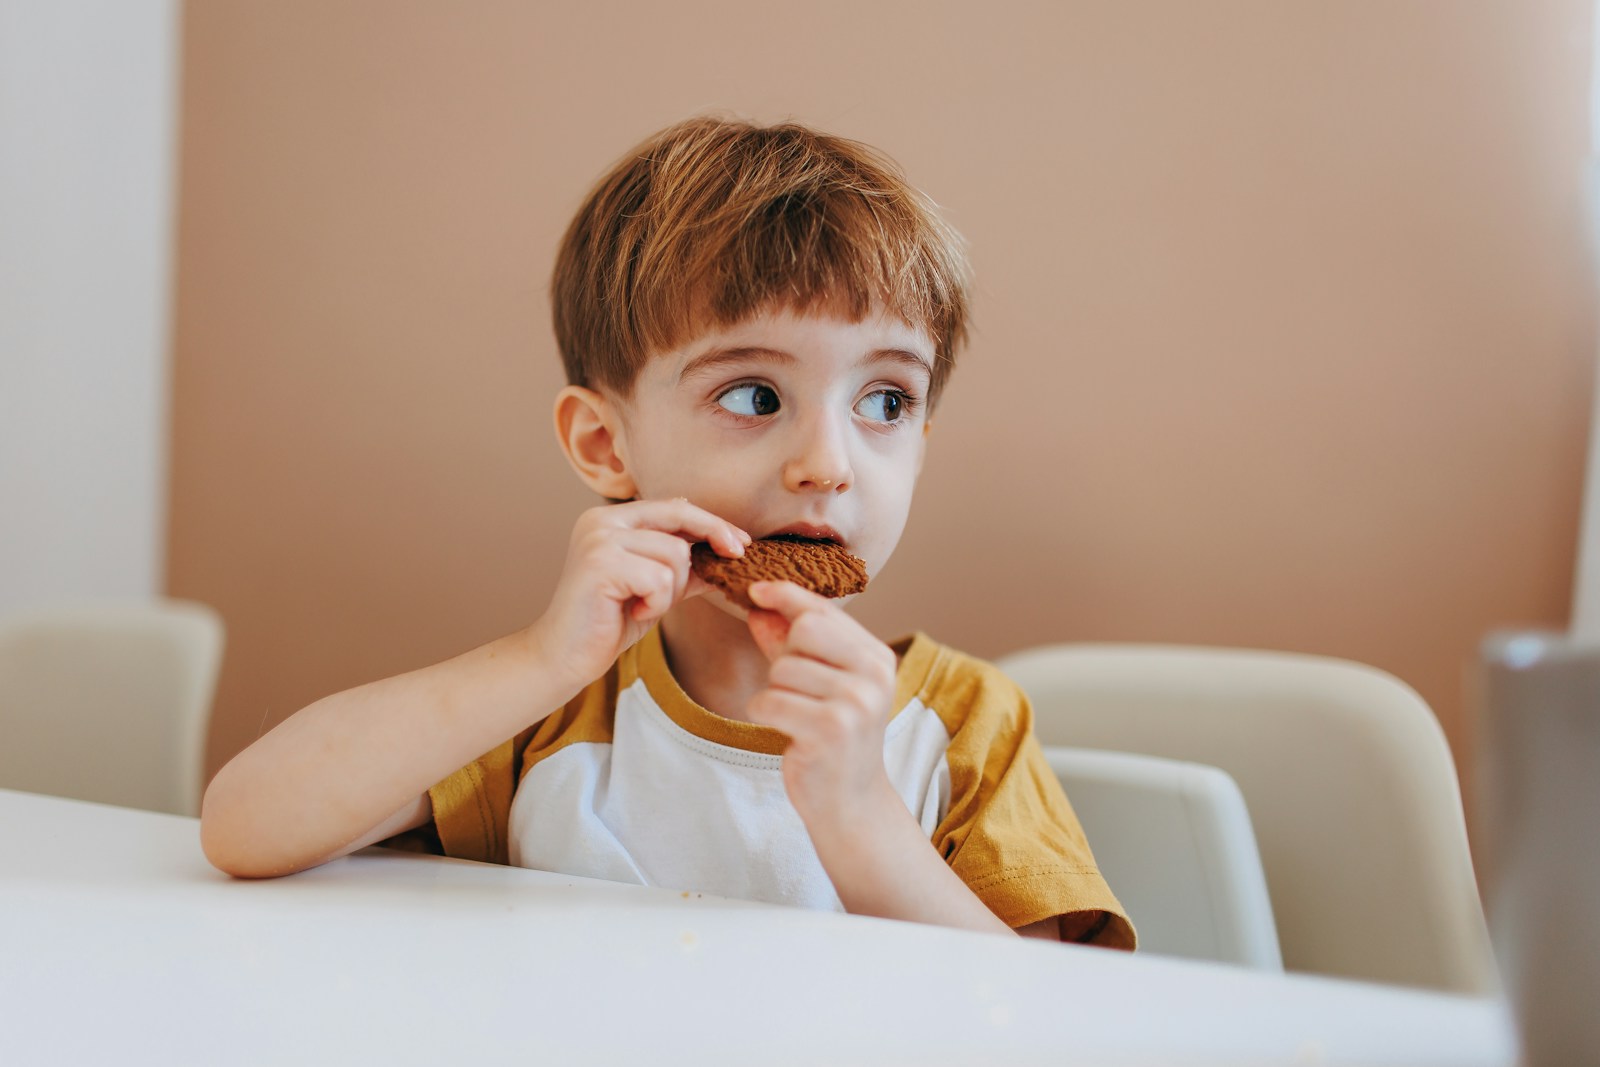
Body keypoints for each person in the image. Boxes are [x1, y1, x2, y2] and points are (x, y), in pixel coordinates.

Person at [200, 116, 1135, 948]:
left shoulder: (960, 724)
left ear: (921, 446)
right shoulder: (550, 715)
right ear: (606, 444)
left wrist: (859, 816)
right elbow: (243, 827)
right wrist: (535, 661)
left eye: (885, 401)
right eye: (755, 395)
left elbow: (1035, 1015)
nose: (829, 461)